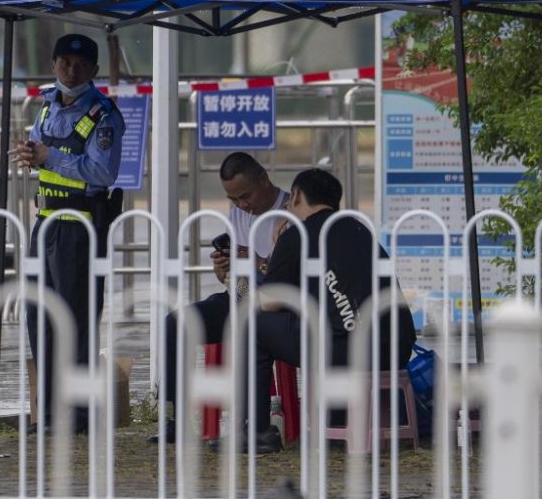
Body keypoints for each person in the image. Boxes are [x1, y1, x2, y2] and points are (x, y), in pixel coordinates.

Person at [232, 168, 416, 453]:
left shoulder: (297, 236)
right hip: (396, 349)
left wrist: (245, 281)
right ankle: (340, 420)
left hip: (347, 351)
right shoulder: (360, 231)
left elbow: (268, 303)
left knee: (253, 326)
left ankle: (257, 431)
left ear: (295, 196)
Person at [11, 32, 124, 434]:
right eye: (64, 63)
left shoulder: (103, 115)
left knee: (75, 320)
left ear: (93, 70)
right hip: (45, 220)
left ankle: (77, 413)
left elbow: (103, 171)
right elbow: (43, 156)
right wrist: (30, 155)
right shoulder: (46, 106)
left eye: (79, 65)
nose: (70, 71)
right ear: (54, 65)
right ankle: (47, 410)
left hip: (81, 225)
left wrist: (49, 156)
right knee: (38, 315)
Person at [150, 152, 289, 444]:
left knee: (251, 330)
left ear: (263, 179)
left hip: (275, 306)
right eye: (233, 199)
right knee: (175, 324)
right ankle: (176, 419)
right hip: (238, 297)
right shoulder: (238, 214)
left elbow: (289, 275)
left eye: (245, 196)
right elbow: (231, 280)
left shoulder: (288, 212)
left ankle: (253, 424)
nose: (242, 205)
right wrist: (222, 268)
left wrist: (257, 261)